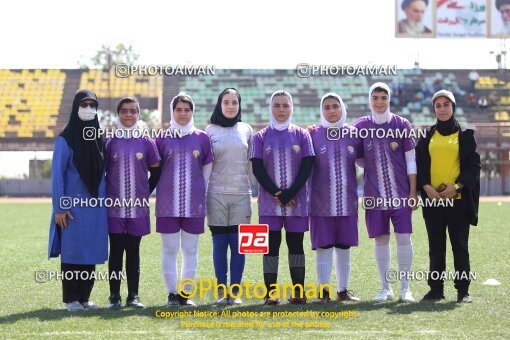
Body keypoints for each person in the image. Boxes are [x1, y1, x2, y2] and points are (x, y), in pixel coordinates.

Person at [353, 82, 417, 302]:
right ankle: (385, 288)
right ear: (369, 100)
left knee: (404, 239)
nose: (379, 102)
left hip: (401, 195)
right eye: (375, 98)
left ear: (389, 99)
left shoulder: (402, 124)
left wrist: (413, 192)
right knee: (380, 240)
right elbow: (358, 157)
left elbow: (411, 162)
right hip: (374, 196)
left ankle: (405, 289)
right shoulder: (360, 126)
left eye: (383, 98)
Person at [250, 90, 315, 305]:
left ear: (291, 107)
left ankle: (298, 292)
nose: (281, 109)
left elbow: (308, 165)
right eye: (277, 105)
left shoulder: (302, 135)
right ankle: (271, 293)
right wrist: (277, 193)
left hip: (297, 202)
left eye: (285, 105)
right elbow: (258, 169)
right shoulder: (261, 136)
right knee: (270, 247)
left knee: (296, 245)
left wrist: (290, 193)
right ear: (271, 108)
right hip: (269, 203)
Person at [416, 90, 480, 303]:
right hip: (433, 201)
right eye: (438, 105)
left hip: (457, 201)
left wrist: (458, 186)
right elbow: (421, 166)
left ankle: (463, 291)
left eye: (446, 104)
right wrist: (426, 187)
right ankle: (436, 289)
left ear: (453, 107)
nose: (442, 109)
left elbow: (474, 166)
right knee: (436, 246)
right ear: (433, 109)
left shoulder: (465, 135)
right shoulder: (426, 136)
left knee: (459, 246)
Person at [48, 89, 108, 311]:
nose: (88, 109)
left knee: (89, 250)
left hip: (95, 206)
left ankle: (85, 298)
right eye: (84, 105)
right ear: (76, 108)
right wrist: (60, 208)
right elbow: (57, 176)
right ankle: (70, 299)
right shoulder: (66, 139)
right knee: (73, 251)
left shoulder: (99, 138)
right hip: (72, 207)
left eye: (93, 105)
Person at [156, 92, 213, 307]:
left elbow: (207, 166)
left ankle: (184, 294)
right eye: (178, 109)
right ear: (172, 111)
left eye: (187, 109)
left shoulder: (202, 138)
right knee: (169, 249)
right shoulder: (161, 138)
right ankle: (172, 294)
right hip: (166, 203)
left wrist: (200, 189)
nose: (182, 113)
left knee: (190, 250)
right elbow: (155, 168)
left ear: (192, 112)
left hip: (194, 203)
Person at [105, 97, 161, 309]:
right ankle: (114, 296)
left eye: (132, 111)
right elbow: (101, 170)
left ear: (138, 114)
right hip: (114, 208)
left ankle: (133, 296)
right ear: (118, 114)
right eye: (124, 111)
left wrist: (145, 191)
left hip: (138, 208)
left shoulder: (146, 141)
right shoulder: (109, 141)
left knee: (134, 251)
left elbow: (156, 169)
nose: (128, 115)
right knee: (116, 250)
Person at [308, 93, 363, 303]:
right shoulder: (313, 134)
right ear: (322, 111)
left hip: (347, 201)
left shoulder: (354, 134)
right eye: (327, 107)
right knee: (323, 245)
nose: (331, 111)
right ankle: (323, 292)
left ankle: (342, 291)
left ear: (342, 108)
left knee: (343, 245)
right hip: (320, 202)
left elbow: (365, 162)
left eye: (335, 106)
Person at [206, 88, 255, 305]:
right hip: (215, 193)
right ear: (220, 104)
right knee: (219, 244)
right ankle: (220, 292)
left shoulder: (247, 129)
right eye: (226, 102)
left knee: (238, 245)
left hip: (242, 194)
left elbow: (253, 164)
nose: (231, 106)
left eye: (235, 102)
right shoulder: (209, 131)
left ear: (239, 104)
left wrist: (256, 192)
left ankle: (234, 293)